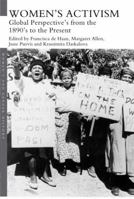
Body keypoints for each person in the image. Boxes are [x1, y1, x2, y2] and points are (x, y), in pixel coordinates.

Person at [13, 59, 56, 189]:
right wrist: (16, 67)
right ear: (30, 71)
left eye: (40, 68)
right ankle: (32, 176)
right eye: (34, 68)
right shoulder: (25, 81)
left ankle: (44, 174)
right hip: (28, 122)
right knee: (30, 150)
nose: (37, 69)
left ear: (43, 72)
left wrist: (52, 97)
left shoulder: (47, 83)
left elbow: (52, 97)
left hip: (42, 122)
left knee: (43, 150)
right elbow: (17, 75)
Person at [105, 67, 134, 196]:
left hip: (131, 125)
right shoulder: (113, 90)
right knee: (117, 151)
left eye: (129, 78)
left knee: (130, 153)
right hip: (117, 123)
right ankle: (115, 181)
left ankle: (127, 181)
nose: (127, 79)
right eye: (124, 77)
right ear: (120, 77)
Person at [54, 69, 81, 176]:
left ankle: (72, 162)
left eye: (68, 78)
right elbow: (58, 107)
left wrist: (72, 108)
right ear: (61, 79)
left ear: (72, 78)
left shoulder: (76, 91)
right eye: (64, 78)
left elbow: (79, 104)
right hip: (61, 118)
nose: (66, 80)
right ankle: (62, 164)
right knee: (62, 141)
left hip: (73, 119)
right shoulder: (57, 91)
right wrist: (70, 107)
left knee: (73, 141)